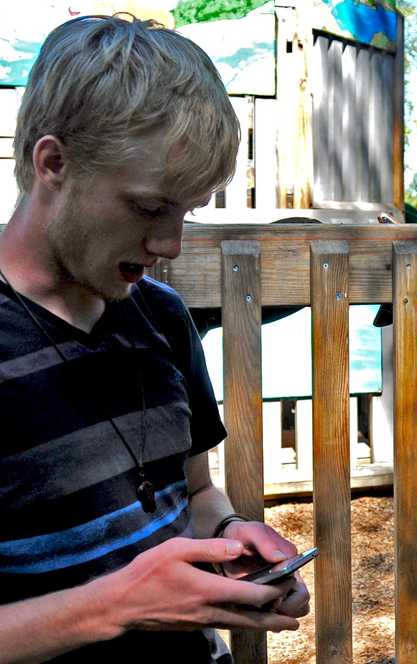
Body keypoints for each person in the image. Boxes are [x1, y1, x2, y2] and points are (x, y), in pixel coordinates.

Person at [0, 15, 309, 662]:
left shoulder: (162, 317)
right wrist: (120, 605)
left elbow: (194, 491)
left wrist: (228, 537)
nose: (170, 245)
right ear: (53, 163)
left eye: (186, 211)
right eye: (148, 207)